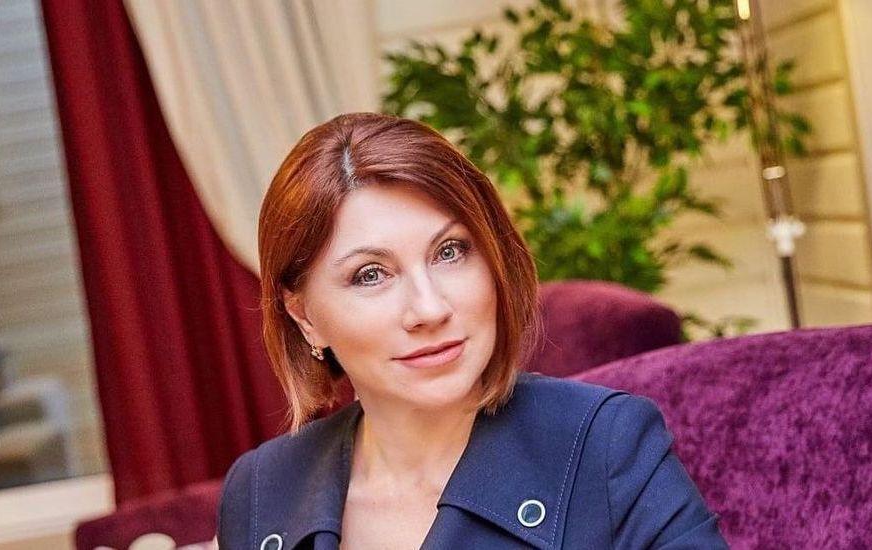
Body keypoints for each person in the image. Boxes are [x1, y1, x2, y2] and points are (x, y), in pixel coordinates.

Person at [217, 112, 728, 549]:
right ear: (304, 317)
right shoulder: (260, 491)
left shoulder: (610, 446)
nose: (429, 308)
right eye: (370, 275)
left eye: (450, 251)